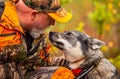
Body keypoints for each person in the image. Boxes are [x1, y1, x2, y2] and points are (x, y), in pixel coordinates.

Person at [0, 0, 74, 79]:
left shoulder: (35, 33)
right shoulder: (2, 23)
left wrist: (76, 62)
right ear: (34, 15)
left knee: (62, 75)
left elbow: (42, 62)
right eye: (50, 19)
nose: (53, 23)